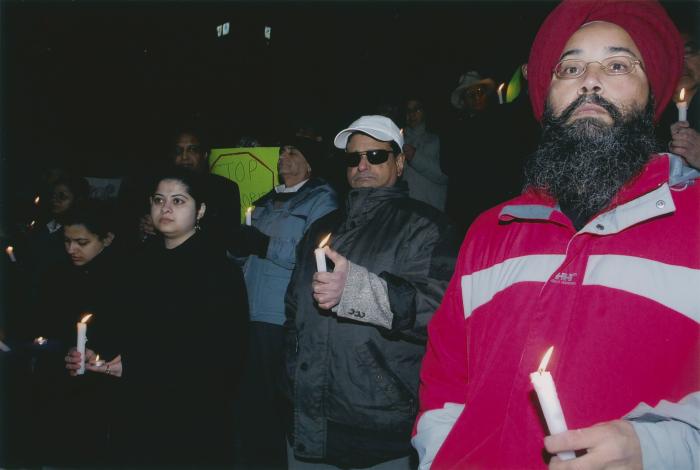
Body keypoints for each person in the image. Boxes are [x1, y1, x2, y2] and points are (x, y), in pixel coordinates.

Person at [413, 1, 699, 469]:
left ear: (654, 94)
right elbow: (446, 381)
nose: (590, 80)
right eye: (570, 67)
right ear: (547, 96)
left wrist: (657, 450)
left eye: (618, 64)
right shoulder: (491, 232)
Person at [284, 115, 458, 469]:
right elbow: (294, 309)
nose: (362, 165)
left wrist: (359, 290)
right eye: (353, 158)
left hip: (378, 425)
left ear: (399, 161)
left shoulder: (426, 225)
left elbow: (438, 309)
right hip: (308, 420)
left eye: (375, 156)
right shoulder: (322, 227)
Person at [67, 167, 248, 467]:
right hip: (136, 410)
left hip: (189, 418)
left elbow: (221, 355)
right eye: (158, 199)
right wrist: (95, 353)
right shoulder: (138, 261)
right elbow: (119, 322)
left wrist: (137, 367)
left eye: (178, 201)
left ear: (200, 210)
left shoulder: (217, 271)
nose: (165, 208)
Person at [232, 135, 338, 468]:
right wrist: (236, 247)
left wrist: (262, 245)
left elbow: (313, 256)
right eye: (281, 151)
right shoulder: (263, 201)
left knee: (275, 401)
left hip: (280, 313)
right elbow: (243, 253)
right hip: (248, 309)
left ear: (310, 163)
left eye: (293, 151)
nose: (283, 156)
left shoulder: (322, 199)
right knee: (250, 400)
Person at [125, 129, 241, 249]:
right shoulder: (159, 188)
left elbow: (230, 238)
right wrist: (145, 231)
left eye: (192, 150)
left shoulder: (224, 189)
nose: (184, 157)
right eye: (178, 151)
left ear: (204, 155)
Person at [442, 71, 525, 237]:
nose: (476, 97)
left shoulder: (501, 121)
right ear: (463, 101)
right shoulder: (455, 130)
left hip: (499, 203)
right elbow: (448, 165)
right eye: (470, 94)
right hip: (467, 207)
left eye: (479, 92)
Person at [401, 97, 448, 211]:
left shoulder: (437, 139)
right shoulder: (398, 140)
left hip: (430, 212)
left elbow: (444, 176)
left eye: (416, 109)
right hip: (403, 212)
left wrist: (415, 157)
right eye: (408, 110)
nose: (412, 114)